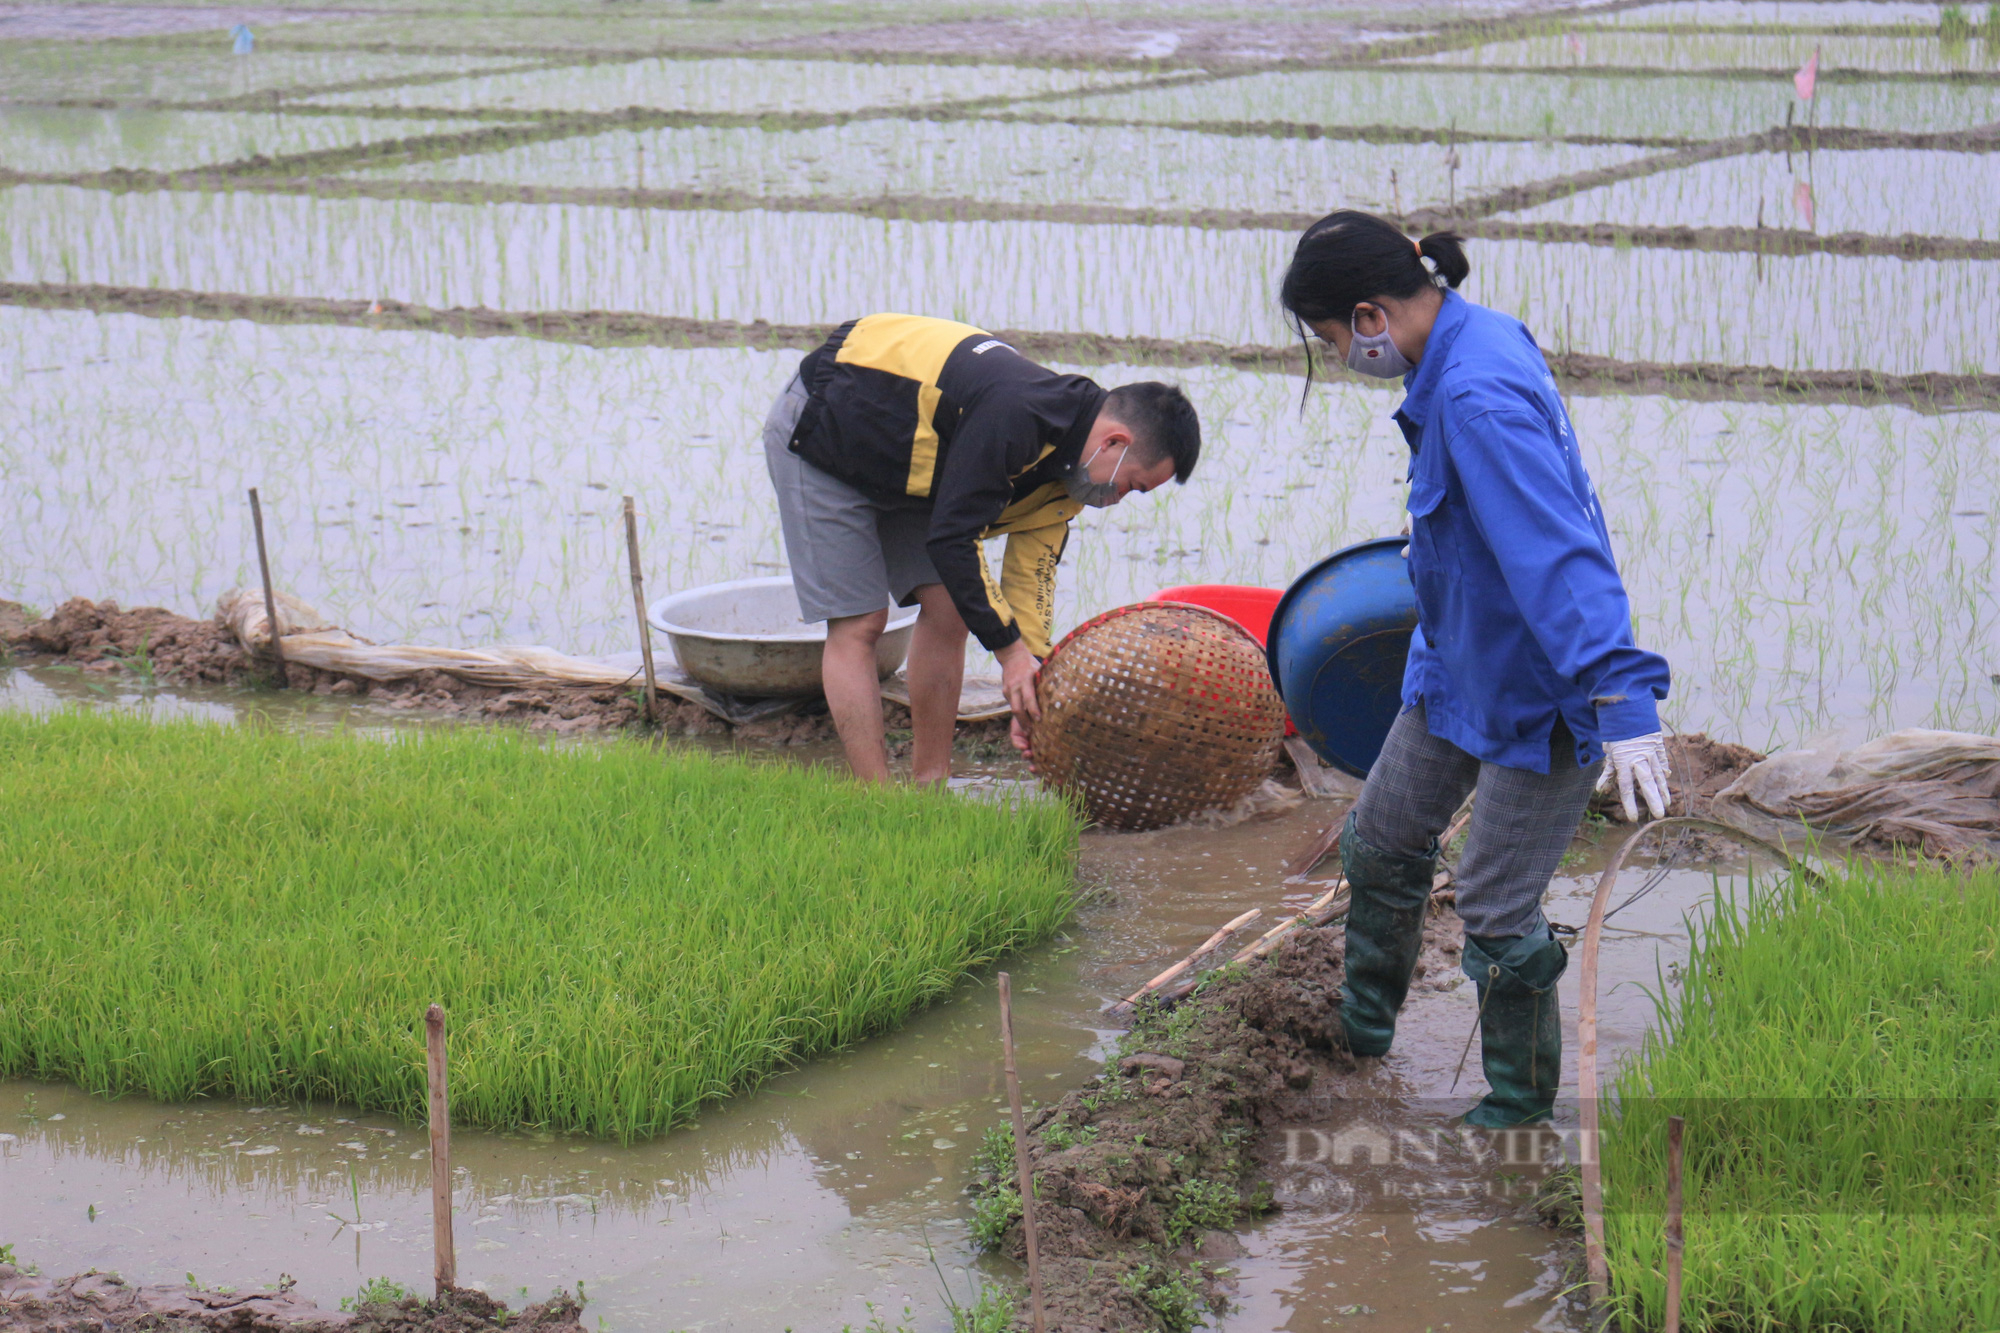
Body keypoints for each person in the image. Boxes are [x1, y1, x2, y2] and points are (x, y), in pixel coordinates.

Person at [1278, 211, 1672, 1127]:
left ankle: (1519, 1106)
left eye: (1335, 339)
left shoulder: (1476, 394)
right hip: (1457, 662)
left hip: (1542, 689)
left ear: (1372, 315)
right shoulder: (1464, 341)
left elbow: (1559, 547)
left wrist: (1620, 690)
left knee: (1496, 909)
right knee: (1379, 839)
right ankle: (1366, 1026)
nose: (1342, 358)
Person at [764, 312, 1201, 783]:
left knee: (951, 608)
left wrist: (1027, 681)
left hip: (912, 458)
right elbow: (955, 538)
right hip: (829, 424)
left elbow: (1031, 578)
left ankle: (931, 785)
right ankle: (880, 803)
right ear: (1115, 441)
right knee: (861, 621)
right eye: (1131, 486)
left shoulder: (1068, 478)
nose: (1117, 501)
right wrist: (1007, 654)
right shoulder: (1017, 414)